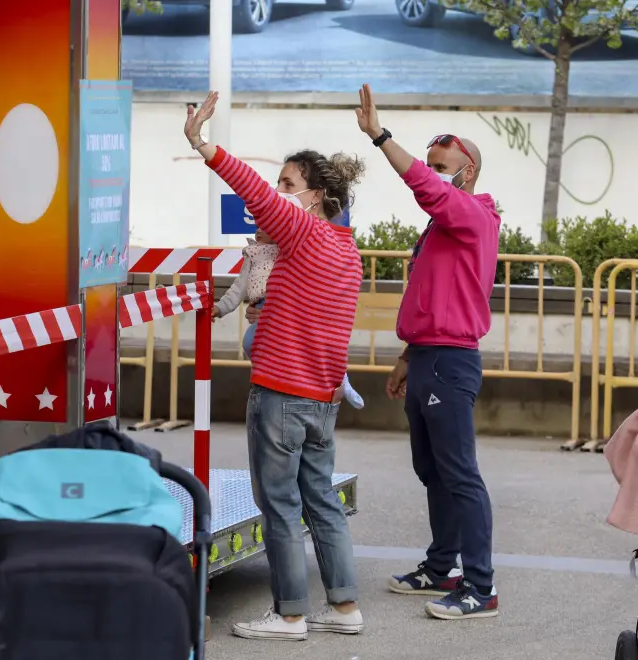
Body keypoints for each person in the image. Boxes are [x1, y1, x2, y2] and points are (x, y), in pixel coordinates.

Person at [184, 92, 365, 641]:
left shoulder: (304, 235)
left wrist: (202, 144)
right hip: (321, 397)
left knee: (280, 505)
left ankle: (289, 615)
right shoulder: (347, 249)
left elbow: (253, 191)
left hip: (282, 394)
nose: (280, 194)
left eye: (290, 185)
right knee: (321, 502)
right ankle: (343, 607)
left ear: (317, 197)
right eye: (281, 184)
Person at [354, 84, 501, 620]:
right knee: (433, 471)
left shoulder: (470, 216)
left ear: (468, 173)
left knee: (459, 473)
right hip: (427, 356)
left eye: (442, 166)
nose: (432, 172)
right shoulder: (442, 226)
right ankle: (442, 567)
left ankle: (480, 587)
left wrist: (380, 137)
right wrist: (406, 356)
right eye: (432, 163)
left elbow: (425, 188)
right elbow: (430, 296)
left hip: (450, 360)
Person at [213, 229, 365, 409]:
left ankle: (340, 377)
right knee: (251, 342)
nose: (259, 231)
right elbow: (238, 288)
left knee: (314, 345)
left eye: (265, 226)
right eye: (257, 226)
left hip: (284, 304)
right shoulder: (252, 254)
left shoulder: (288, 250)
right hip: (262, 304)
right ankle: (271, 378)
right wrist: (220, 307)